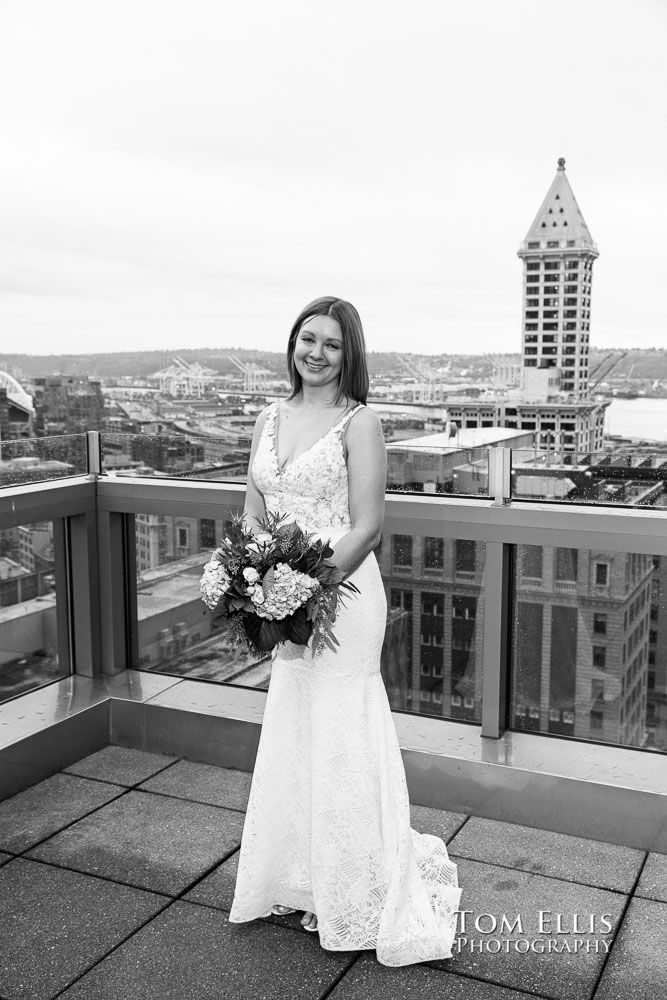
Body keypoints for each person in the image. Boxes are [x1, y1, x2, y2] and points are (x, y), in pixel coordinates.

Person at [228, 296, 461, 966]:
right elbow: (253, 507)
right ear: (292, 344)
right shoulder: (268, 416)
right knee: (298, 725)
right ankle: (300, 875)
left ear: (348, 354)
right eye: (308, 339)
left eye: (332, 344)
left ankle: (355, 884)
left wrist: (309, 583)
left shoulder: (361, 423)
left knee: (341, 728)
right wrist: (256, 576)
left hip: (344, 594)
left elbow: (367, 525)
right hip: (279, 592)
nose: (317, 353)